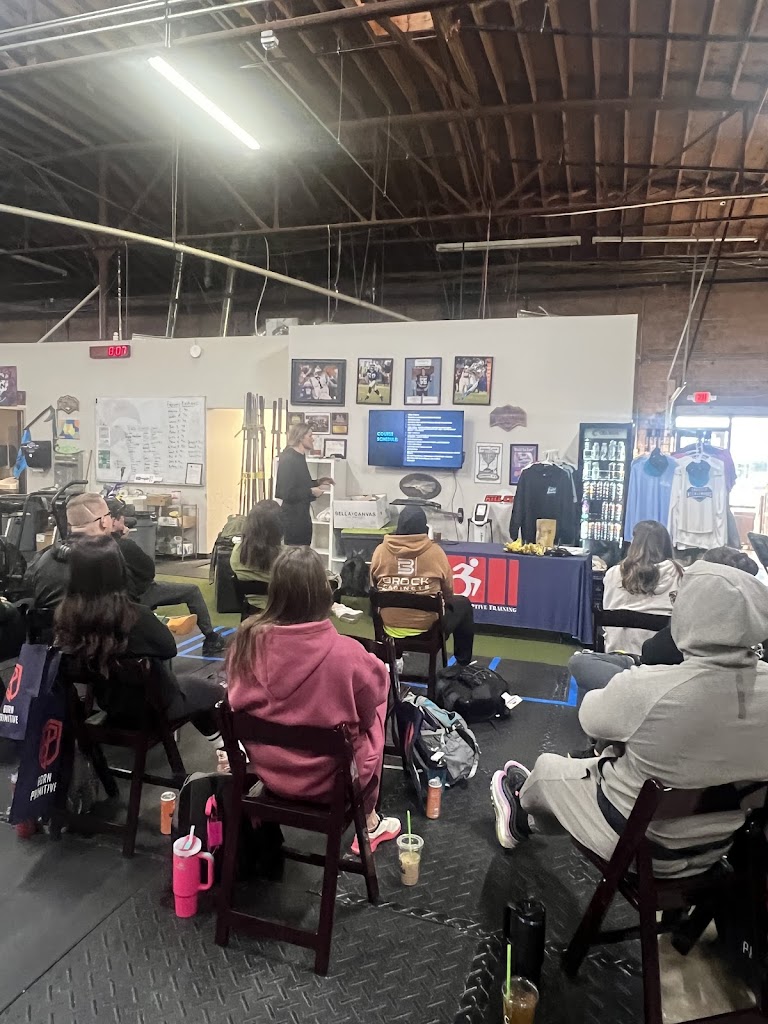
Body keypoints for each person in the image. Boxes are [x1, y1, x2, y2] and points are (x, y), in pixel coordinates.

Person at [490, 560, 768, 877]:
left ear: (692, 613)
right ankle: (529, 819)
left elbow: (590, 718)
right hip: (717, 850)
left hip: (639, 846)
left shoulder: (653, 686)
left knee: (546, 769)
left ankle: (520, 813)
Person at [227, 546, 400, 851]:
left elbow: (236, 704)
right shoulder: (347, 654)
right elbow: (370, 709)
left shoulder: (245, 644)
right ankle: (370, 818)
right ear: (323, 594)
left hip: (270, 772)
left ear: (274, 592)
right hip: (333, 783)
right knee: (378, 697)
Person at [54, 534, 225, 754]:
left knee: (193, 690)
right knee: (214, 691)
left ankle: (222, 749)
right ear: (119, 570)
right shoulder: (135, 615)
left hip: (109, 705)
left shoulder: (65, 617)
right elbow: (168, 649)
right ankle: (228, 752)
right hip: (156, 706)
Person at [569, 520, 682, 694]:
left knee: (579, 662)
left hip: (618, 659)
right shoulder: (681, 575)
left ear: (633, 543)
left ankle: (628, 688)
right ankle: (639, 689)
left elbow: (607, 618)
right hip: (663, 665)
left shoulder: (613, 574)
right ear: (666, 544)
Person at [370, 505, 475, 674]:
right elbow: (448, 593)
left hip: (388, 628)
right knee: (463, 604)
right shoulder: (436, 553)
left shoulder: (380, 551)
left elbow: (373, 587)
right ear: (425, 529)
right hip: (428, 630)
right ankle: (462, 667)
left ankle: (394, 658)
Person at [274, 424, 332, 546]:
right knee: (295, 553)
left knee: (304, 550)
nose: (313, 439)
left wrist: (318, 482)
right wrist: (311, 492)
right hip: (292, 518)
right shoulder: (289, 458)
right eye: (310, 436)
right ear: (300, 437)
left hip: (303, 515)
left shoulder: (300, 456)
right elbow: (285, 492)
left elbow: (299, 484)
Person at [230, 499, 283, 611]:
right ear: (279, 526)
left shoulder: (237, 552)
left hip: (251, 610)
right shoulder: (285, 557)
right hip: (280, 612)